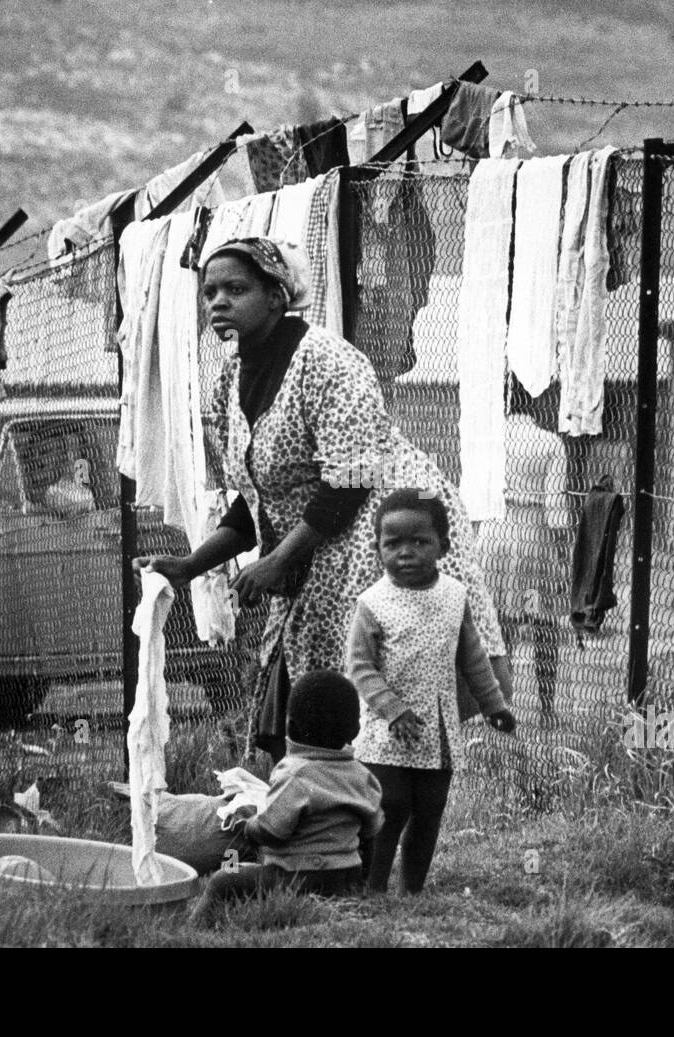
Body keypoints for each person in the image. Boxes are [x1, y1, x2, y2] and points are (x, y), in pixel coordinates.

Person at [133, 237, 512, 763]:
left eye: (235, 289)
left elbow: (352, 480)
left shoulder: (328, 361)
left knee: (374, 698)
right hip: (315, 540)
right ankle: (319, 820)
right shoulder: (229, 381)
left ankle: (370, 821)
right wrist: (192, 565)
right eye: (210, 291)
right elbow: (257, 496)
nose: (217, 301)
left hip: (377, 533)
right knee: (307, 703)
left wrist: (277, 561)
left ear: (276, 295)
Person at [346, 489, 516, 894]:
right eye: (393, 543)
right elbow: (360, 666)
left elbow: (473, 658)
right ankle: (373, 887)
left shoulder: (455, 597)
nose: (406, 552)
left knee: (428, 811)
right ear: (378, 548)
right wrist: (393, 709)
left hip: (437, 733)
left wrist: (494, 705)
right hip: (388, 733)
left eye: (419, 542)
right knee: (389, 808)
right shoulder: (373, 603)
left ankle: (412, 890)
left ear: (444, 545)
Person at [191, 669, 383, 922]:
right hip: (345, 877)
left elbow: (273, 831)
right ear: (355, 729)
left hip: (298, 878)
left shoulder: (294, 774)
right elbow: (371, 832)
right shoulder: (363, 775)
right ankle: (242, 909)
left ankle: (198, 926)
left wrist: (248, 827)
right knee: (248, 870)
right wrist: (360, 877)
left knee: (225, 876)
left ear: (290, 725)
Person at [476, 376, 572, 723]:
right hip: (534, 536)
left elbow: (471, 491)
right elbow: (556, 508)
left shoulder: (488, 440)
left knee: (499, 623)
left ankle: (500, 704)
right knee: (543, 621)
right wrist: (564, 554)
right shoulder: (550, 444)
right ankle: (547, 709)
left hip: (494, 533)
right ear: (536, 401)